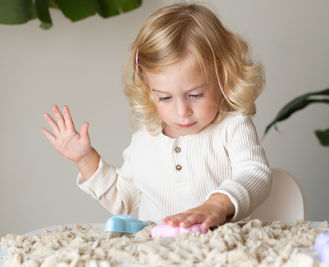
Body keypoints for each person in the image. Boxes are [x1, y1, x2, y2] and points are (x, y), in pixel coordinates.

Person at [41, 3, 271, 230]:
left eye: (195, 94)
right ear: (148, 89)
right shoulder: (144, 140)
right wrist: (85, 159)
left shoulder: (232, 127)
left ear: (223, 77)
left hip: (223, 249)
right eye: (165, 98)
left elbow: (255, 174)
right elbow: (122, 199)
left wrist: (218, 204)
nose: (182, 111)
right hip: (160, 252)